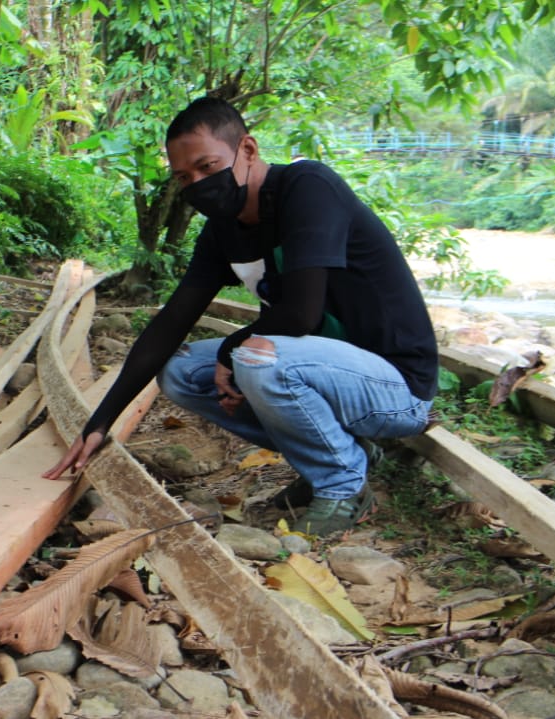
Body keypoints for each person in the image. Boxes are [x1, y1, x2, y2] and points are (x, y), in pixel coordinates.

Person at [42, 96, 439, 536]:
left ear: (247, 150)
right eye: (184, 177)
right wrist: (99, 423)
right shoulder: (222, 231)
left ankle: (342, 483)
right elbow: (172, 322)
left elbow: (301, 314)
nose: (197, 184)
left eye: (208, 167)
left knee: (257, 357)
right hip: (324, 374)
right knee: (180, 371)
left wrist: (231, 350)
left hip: (395, 386)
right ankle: (341, 451)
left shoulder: (308, 189)